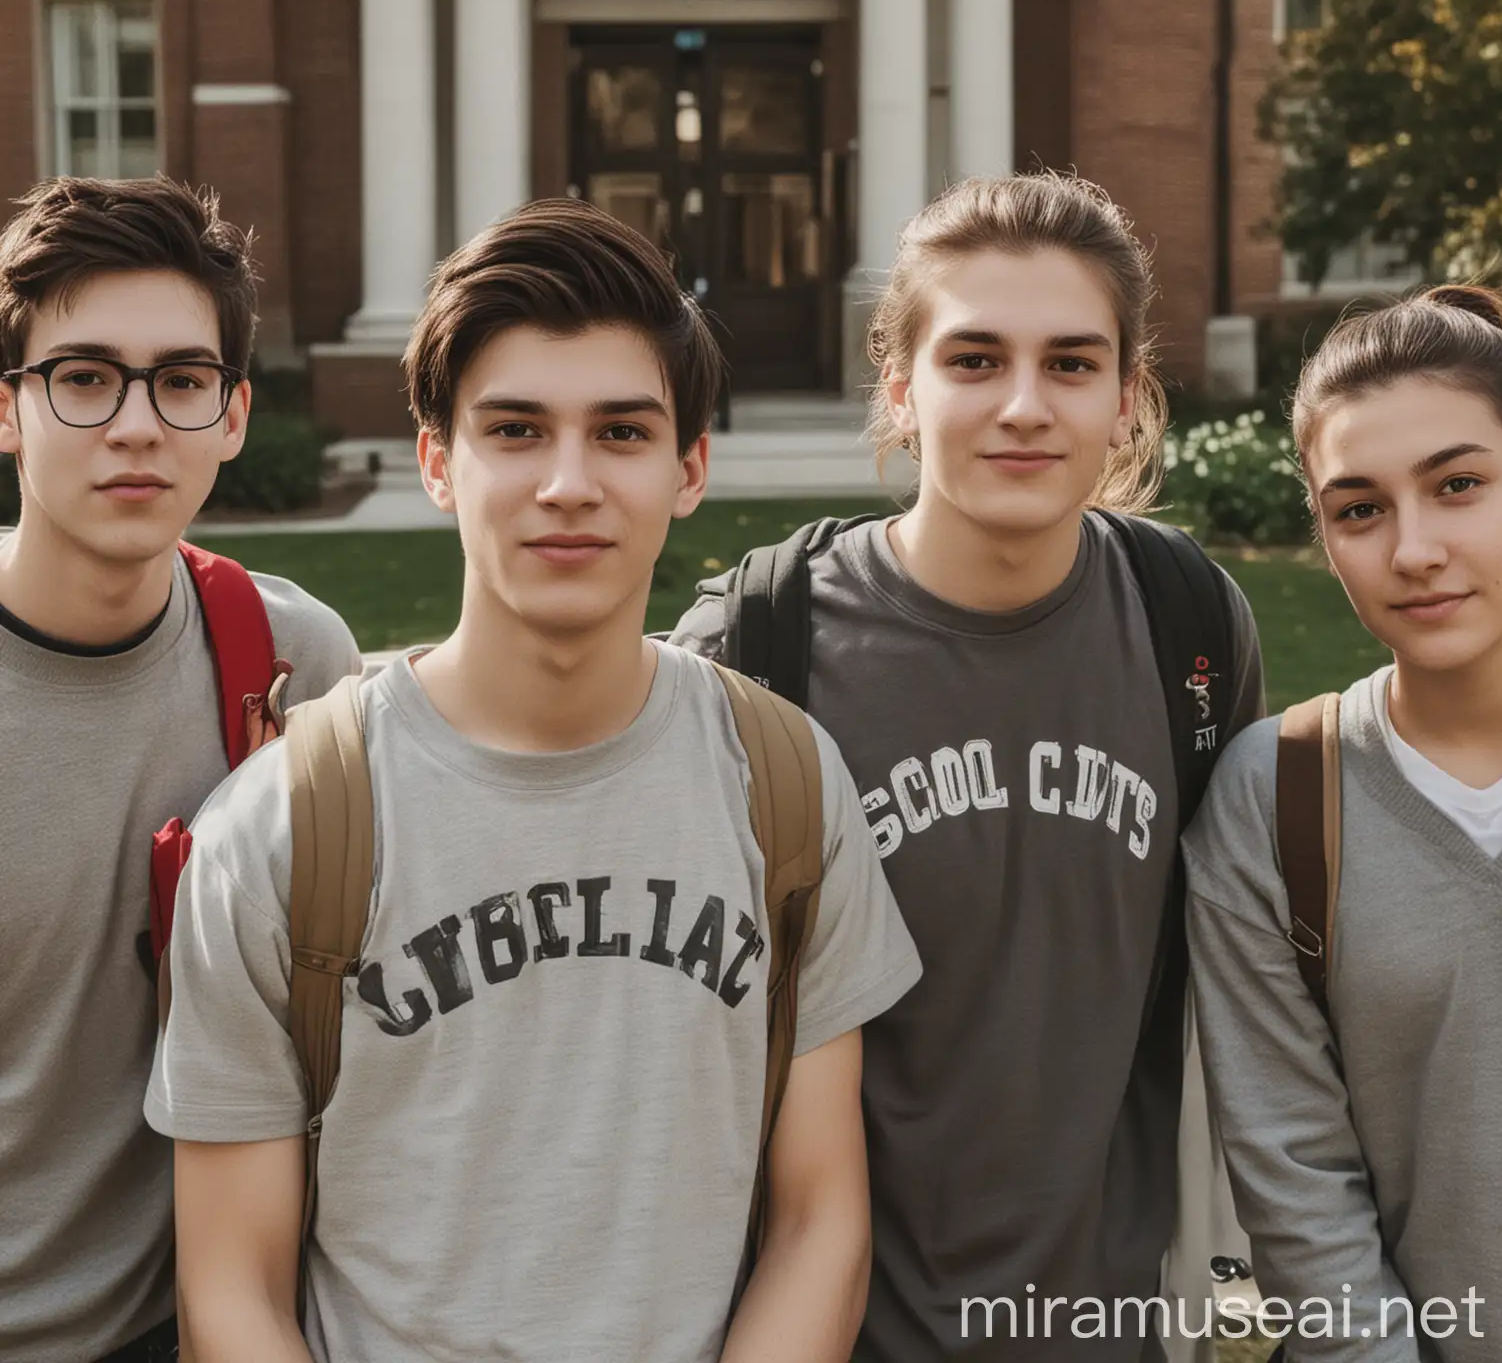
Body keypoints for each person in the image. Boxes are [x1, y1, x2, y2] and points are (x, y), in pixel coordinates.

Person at [147, 197, 922, 1362]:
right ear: (436, 465)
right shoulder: (283, 825)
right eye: (514, 431)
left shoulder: (784, 784)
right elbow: (232, 1290)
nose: (569, 482)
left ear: (691, 468)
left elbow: (821, 1219)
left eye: (621, 433)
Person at [671, 171, 1265, 1359]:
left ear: (1129, 398)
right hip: (829, 1332)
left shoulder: (1191, 628)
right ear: (901, 387)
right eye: (976, 359)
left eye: (1073, 364)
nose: (1026, 406)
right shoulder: (758, 650)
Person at [0, 175, 360, 1363]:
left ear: (235, 413)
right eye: (85, 376)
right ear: (9, 410)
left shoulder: (294, 663)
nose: (139, 423)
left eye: (183, 381)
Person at [1186, 285, 1502, 1363]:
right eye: (1359, 508)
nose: (1414, 548)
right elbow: (1300, 1188)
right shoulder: (1279, 796)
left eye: (1459, 486)